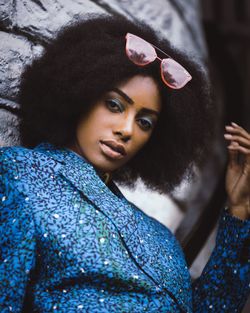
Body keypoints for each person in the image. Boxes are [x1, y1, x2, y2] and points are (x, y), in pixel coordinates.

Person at [0, 14, 249, 313]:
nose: (127, 130)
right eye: (115, 105)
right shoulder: (21, 173)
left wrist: (238, 210)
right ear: (81, 94)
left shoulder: (160, 236)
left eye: (145, 122)